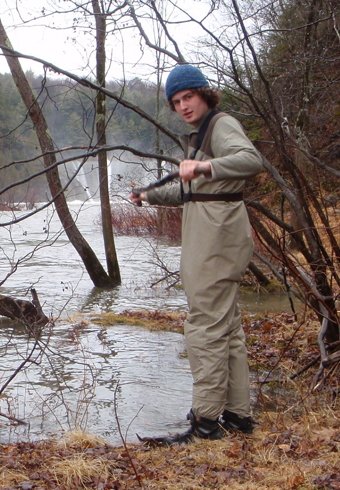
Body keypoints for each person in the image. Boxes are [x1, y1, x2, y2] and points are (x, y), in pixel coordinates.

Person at [131, 64, 263, 444]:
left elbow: (250, 161)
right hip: (214, 241)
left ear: (204, 94)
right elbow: (194, 192)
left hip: (217, 244)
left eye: (188, 96)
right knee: (227, 328)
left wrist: (205, 164)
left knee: (203, 327)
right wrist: (149, 194)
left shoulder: (221, 125)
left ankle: (206, 423)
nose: (183, 106)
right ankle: (238, 416)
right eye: (176, 101)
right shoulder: (200, 134)